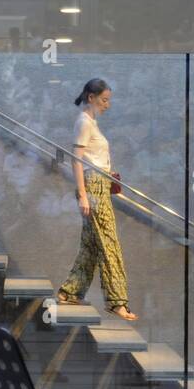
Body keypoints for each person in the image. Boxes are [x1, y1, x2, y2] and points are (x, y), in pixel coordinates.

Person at [56, 79, 136, 321]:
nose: (107, 105)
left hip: (98, 185)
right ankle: (117, 301)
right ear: (91, 97)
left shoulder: (90, 122)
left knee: (92, 245)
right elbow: (76, 160)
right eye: (104, 100)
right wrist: (82, 194)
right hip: (93, 188)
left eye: (108, 100)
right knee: (109, 244)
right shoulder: (84, 122)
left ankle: (70, 291)